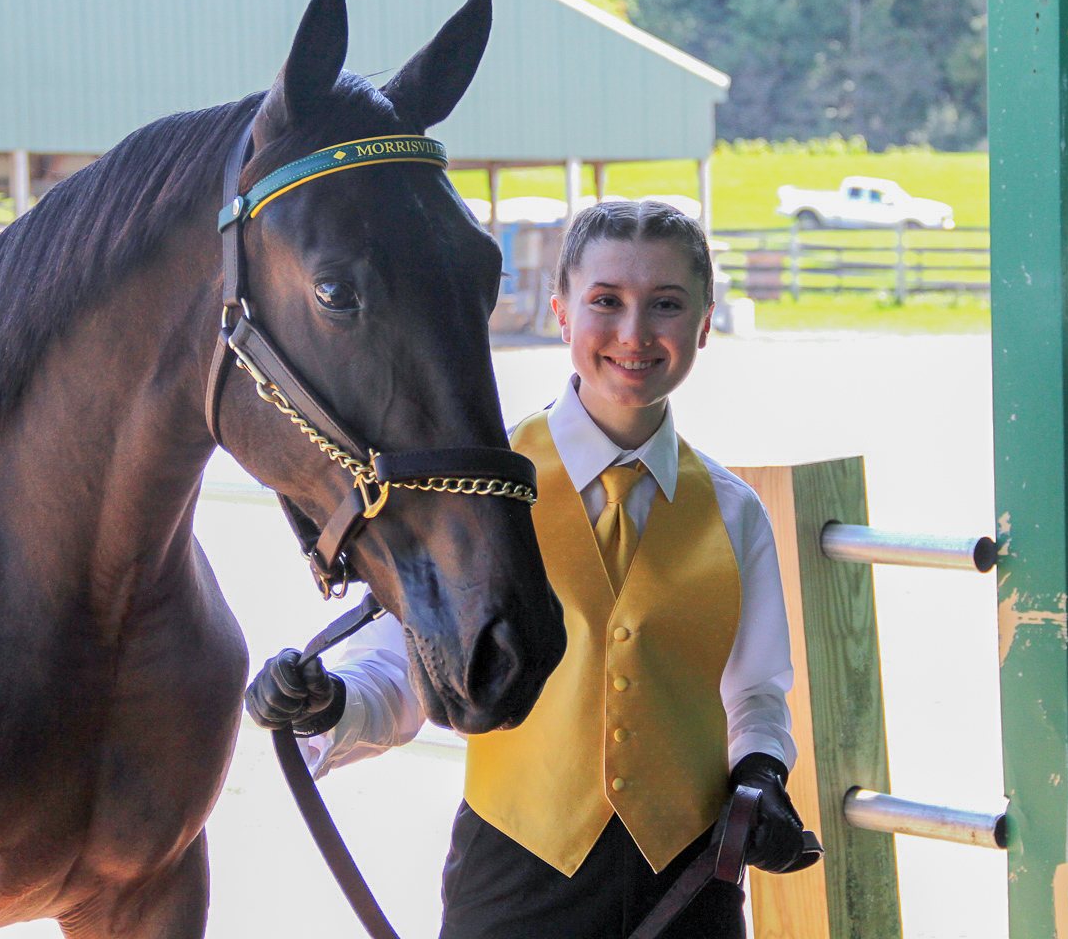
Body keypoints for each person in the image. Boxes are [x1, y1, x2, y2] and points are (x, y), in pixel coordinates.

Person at [247, 200, 810, 939]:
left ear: (704, 324)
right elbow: (399, 671)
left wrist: (761, 770)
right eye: (606, 301)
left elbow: (757, 693)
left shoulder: (737, 515)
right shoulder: (473, 500)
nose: (635, 333)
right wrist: (327, 704)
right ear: (562, 314)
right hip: (516, 879)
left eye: (666, 305)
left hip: (688, 887)